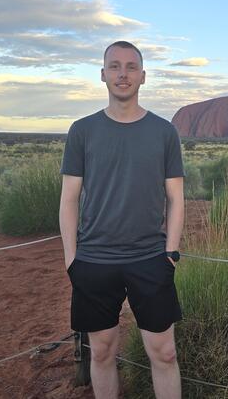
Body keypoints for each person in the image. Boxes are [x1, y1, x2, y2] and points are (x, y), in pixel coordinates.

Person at [59, 40, 186, 399]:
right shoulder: (82, 131)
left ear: (143, 76)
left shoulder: (164, 132)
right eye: (114, 66)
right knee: (101, 352)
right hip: (94, 261)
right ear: (103, 75)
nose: (123, 74)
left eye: (131, 67)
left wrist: (171, 254)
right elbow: (68, 200)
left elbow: (176, 199)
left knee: (164, 353)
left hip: (150, 259)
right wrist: (72, 260)